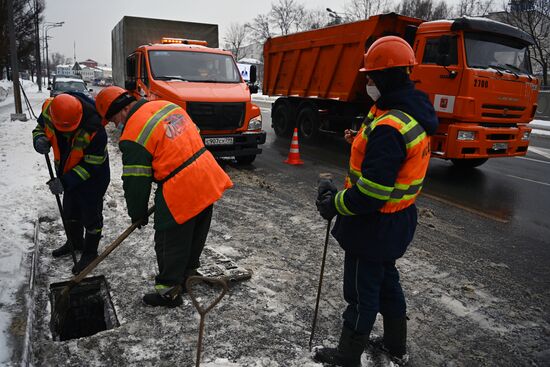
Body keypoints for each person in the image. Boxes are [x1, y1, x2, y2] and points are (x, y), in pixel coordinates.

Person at [314, 36, 439, 366]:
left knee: (360, 294)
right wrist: (359, 142)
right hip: (397, 220)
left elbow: (370, 193)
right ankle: (397, 346)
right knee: (386, 284)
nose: (367, 82)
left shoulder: (389, 124)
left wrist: (334, 203)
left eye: (371, 76)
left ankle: (347, 355)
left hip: (372, 224)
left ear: (386, 76)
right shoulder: (409, 111)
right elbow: (393, 159)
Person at [95, 86, 233, 308]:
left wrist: (137, 214)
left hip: (181, 185)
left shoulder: (132, 134)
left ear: (120, 111)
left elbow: (136, 182)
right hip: (206, 174)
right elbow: (194, 133)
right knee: (196, 230)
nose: (114, 126)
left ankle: (168, 291)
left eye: (112, 120)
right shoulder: (167, 106)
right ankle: (188, 274)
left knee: (170, 240)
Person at [32, 92, 110, 274]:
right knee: (70, 209)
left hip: (93, 177)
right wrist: (39, 140)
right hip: (66, 171)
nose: (64, 133)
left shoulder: (95, 128)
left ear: (79, 117)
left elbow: (92, 165)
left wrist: (65, 182)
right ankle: (74, 242)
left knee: (91, 215)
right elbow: (39, 129)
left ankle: (90, 252)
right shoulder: (50, 110)